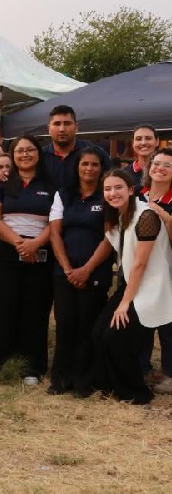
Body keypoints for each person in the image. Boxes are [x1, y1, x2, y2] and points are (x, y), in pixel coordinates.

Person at [0, 135, 56, 386]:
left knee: (34, 310)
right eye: (19, 151)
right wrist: (20, 244)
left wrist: (35, 244)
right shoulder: (0, 183)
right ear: (12, 155)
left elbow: (56, 223)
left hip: (39, 252)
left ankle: (32, 368)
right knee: (1, 309)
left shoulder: (51, 185)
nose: (24, 154)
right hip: (4, 252)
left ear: (38, 153)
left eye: (30, 150)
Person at [93, 169, 172, 404]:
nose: (112, 192)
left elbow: (140, 264)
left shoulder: (145, 215)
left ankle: (135, 393)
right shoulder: (121, 214)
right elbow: (110, 245)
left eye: (118, 187)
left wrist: (124, 303)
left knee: (115, 336)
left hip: (150, 287)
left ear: (130, 190)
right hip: (131, 284)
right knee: (99, 333)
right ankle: (110, 387)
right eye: (107, 189)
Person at [47, 148, 113, 396]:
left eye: (94, 165)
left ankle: (84, 382)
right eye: (84, 164)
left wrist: (86, 270)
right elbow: (55, 233)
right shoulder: (63, 195)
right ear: (77, 167)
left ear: (101, 168)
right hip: (63, 272)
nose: (89, 169)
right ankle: (60, 380)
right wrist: (67, 269)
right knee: (65, 324)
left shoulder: (106, 196)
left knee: (87, 326)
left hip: (95, 271)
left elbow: (110, 237)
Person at [137, 147, 172, 391]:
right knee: (142, 321)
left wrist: (166, 217)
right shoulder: (137, 195)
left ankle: (169, 373)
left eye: (167, 165)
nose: (159, 168)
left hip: (168, 270)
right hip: (140, 270)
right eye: (156, 163)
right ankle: (142, 369)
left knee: (168, 324)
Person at [42, 105, 111, 189]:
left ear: (76, 127)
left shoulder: (97, 155)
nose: (62, 129)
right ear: (49, 129)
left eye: (67, 123)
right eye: (57, 124)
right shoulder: (40, 157)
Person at [124, 124, 159, 190]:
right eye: (138, 139)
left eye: (148, 138)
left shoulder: (166, 171)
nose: (143, 143)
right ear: (133, 143)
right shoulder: (123, 174)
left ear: (157, 141)